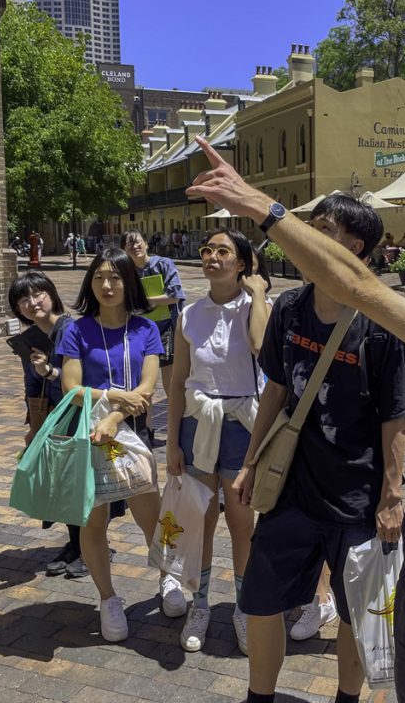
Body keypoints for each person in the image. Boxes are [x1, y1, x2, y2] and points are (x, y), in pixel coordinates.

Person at [187, 135, 405, 703]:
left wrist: (261, 206)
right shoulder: (301, 312)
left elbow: (359, 292)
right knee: (277, 604)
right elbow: (285, 385)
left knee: (383, 635)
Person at [236, 194, 405, 703]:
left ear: (353, 246)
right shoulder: (291, 309)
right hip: (290, 487)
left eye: (322, 229)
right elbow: (274, 389)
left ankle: (346, 699)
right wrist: (251, 462)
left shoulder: (383, 322)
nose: (307, 238)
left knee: (354, 609)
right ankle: (260, 698)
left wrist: (391, 494)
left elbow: (394, 419)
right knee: (260, 598)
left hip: (355, 497)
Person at [58, 248, 188, 642]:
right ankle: (108, 600)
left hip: (132, 436)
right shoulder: (76, 331)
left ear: (129, 282)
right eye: (99, 277)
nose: (107, 285)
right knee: (94, 521)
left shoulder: (144, 329)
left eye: (115, 277)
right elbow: (71, 389)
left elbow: (147, 391)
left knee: (154, 517)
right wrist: (117, 400)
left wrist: (116, 415)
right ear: (90, 283)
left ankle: (169, 577)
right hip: (91, 438)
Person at [165, 229, 270, 654]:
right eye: (207, 249)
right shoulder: (189, 314)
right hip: (197, 425)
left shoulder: (259, 309)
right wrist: (172, 441)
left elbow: (263, 347)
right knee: (200, 521)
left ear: (242, 264)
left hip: (243, 426)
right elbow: (176, 381)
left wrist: (259, 293)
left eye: (222, 251)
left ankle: (243, 608)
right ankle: (202, 603)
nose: (211, 256)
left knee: (242, 524)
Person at [8, 272, 85, 577]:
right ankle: (76, 544)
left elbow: (80, 380)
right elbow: (31, 384)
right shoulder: (29, 341)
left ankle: (89, 548)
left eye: (37, 294)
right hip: (53, 419)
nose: (32, 302)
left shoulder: (71, 329)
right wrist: (34, 424)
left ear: (51, 294)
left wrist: (49, 370)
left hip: (78, 414)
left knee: (79, 483)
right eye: (23, 299)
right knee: (62, 485)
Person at [123, 230, 186, 439]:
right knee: (144, 383)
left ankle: (176, 430)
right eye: (129, 245)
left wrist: (148, 301)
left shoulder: (163, 264)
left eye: (138, 242)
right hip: (139, 332)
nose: (135, 247)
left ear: (146, 244)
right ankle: (147, 428)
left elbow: (175, 295)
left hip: (166, 328)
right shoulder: (126, 271)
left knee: (170, 384)